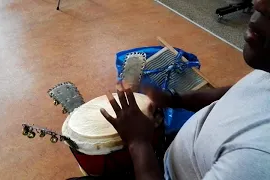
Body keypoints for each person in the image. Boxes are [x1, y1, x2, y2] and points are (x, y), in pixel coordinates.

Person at [100, 0, 270, 179]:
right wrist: (174, 99)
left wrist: (138, 143)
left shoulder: (254, 161)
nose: (259, 3)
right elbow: (237, 93)